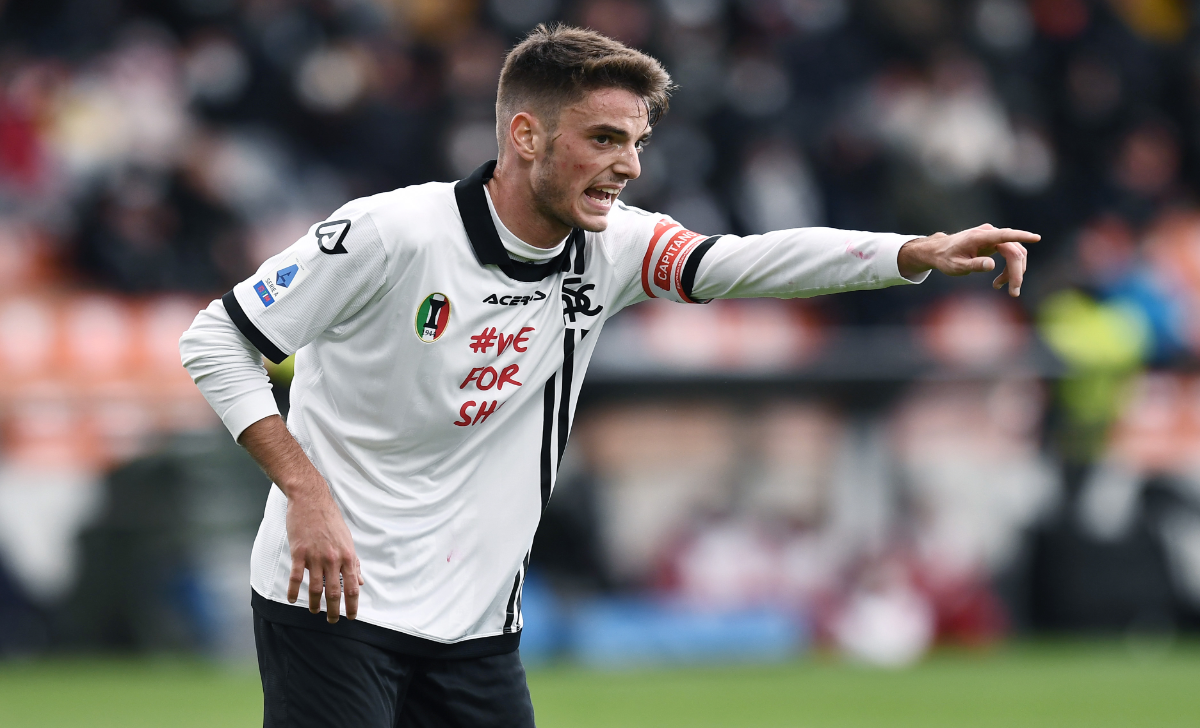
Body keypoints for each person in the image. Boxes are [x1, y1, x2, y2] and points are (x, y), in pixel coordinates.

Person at [179, 23, 1037, 728]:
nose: (628, 165)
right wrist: (305, 492)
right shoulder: (389, 234)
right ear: (526, 135)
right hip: (332, 600)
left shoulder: (614, 245)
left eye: (636, 142)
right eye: (602, 139)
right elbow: (216, 340)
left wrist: (911, 252)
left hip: (474, 621)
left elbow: (747, 260)